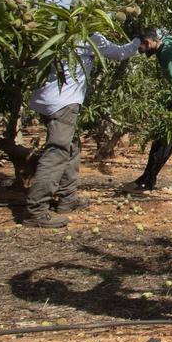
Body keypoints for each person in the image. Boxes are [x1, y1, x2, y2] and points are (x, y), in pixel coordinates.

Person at [24, 32, 140, 228]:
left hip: (46, 99)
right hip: (64, 103)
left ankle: (67, 199)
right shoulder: (90, 36)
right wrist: (139, 40)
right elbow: (119, 53)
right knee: (57, 152)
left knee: (72, 147)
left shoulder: (59, 33)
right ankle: (36, 210)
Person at [127, 28, 172, 193]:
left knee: (164, 136)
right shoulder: (169, 45)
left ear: (147, 42)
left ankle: (146, 181)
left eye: (140, 48)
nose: (139, 52)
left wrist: (162, 104)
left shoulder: (166, 52)